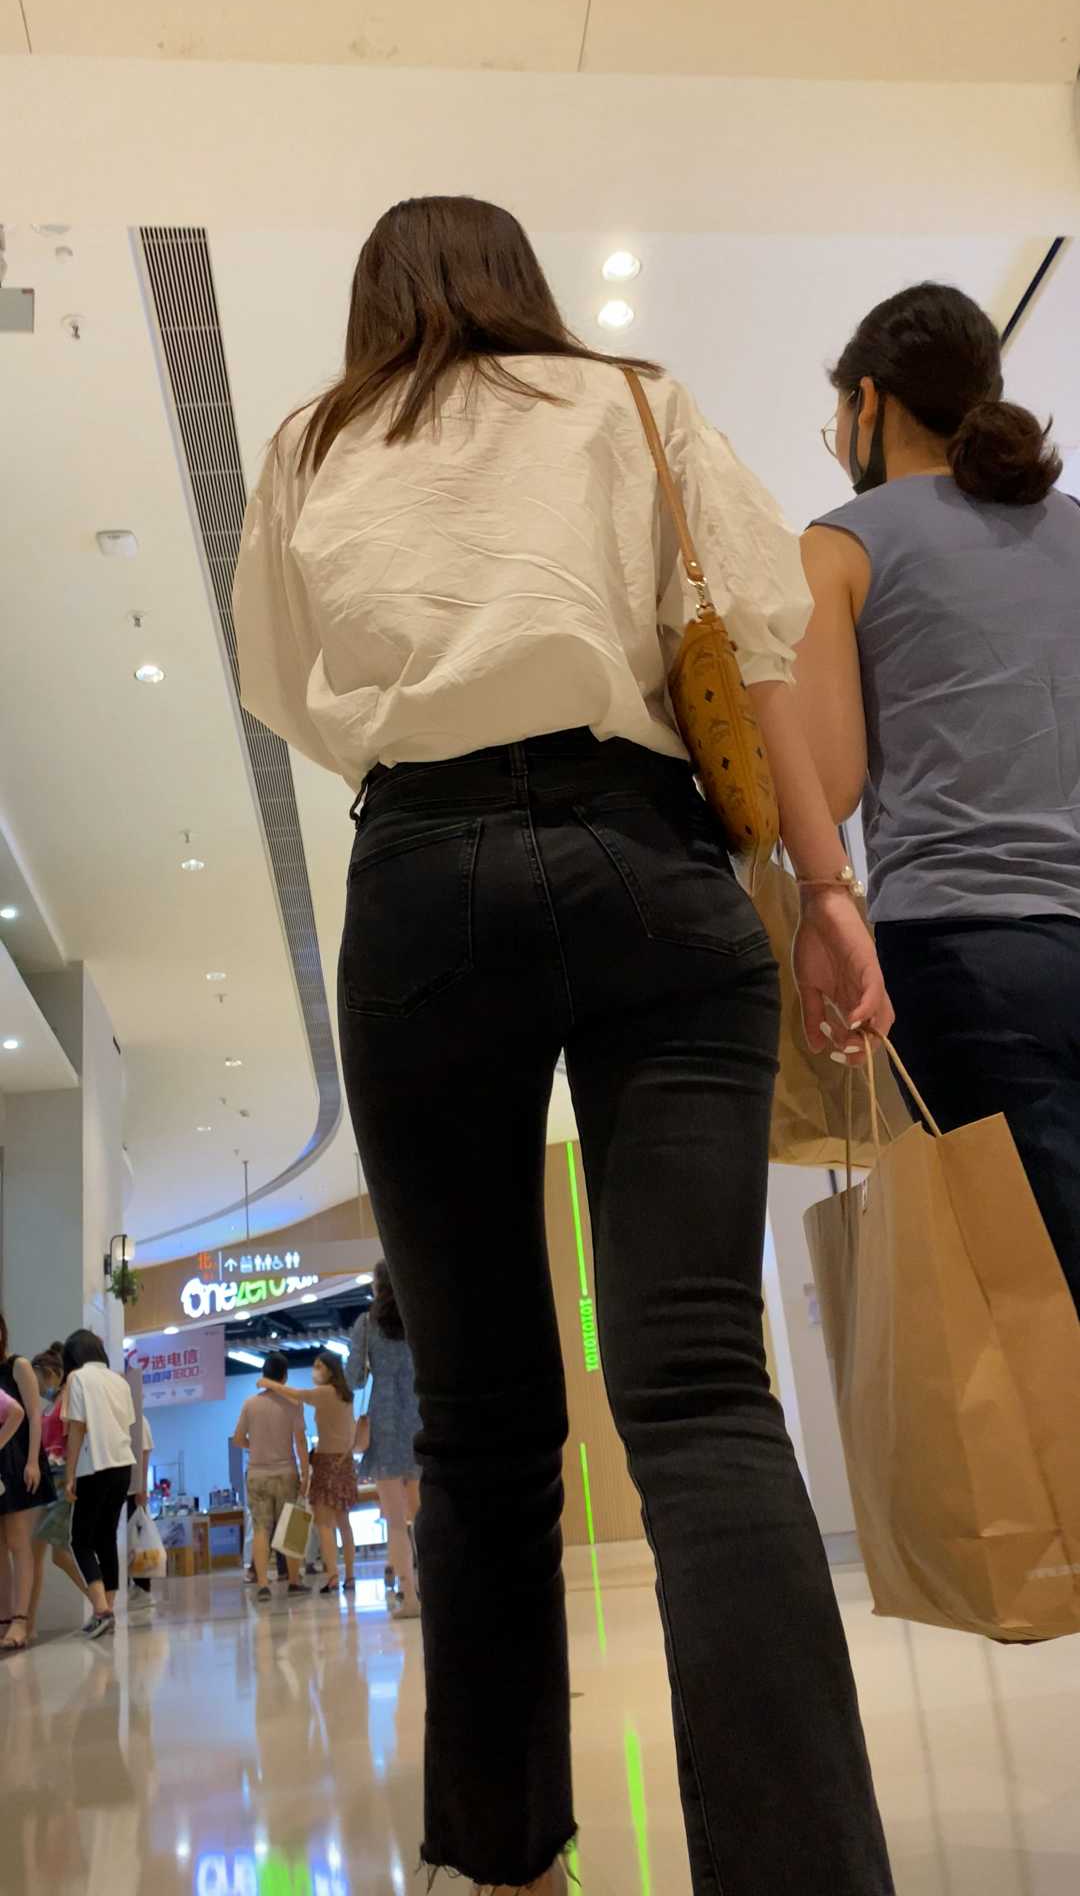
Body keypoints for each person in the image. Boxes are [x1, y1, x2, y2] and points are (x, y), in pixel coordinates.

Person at [234, 195, 894, 1896]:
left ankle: (506, 1857)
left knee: (479, 1420)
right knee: (701, 1388)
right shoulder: (635, 403)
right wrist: (828, 891)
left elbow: (289, 688)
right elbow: (755, 654)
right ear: (522, 283)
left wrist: (437, 741)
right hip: (649, 858)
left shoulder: (313, 443)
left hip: (420, 882)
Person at [796, 281, 1080, 1310]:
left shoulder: (842, 543)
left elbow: (829, 782)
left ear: (867, 403)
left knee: (1037, 1313)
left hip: (966, 960)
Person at [348, 1262, 421, 1620]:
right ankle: (436, 1590)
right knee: (423, 1516)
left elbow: (354, 1379)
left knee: (394, 1522)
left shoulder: (366, 1324)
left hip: (385, 1424)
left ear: (376, 1287)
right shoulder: (418, 1317)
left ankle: (408, 1597)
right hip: (420, 1418)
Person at [257, 1352, 358, 1596]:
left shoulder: (325, 1392)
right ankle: (350, 1575)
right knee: (344, 1523)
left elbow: (297, 1394)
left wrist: (268, 1383)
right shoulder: (346, 1396)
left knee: (324, 1524)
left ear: (330, 1370)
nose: (315, 1370)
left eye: (318, 1366)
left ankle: (332, 1576)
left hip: (326, 1462)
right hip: (345, 1463)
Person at [62, 1328, 136, 1640]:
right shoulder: (119, 1381)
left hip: (94, 1466)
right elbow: (127, 1424)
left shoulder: (78, 1378)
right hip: (123, 1465)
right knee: (106, 1538)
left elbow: (77, 1428)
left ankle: (102, 1610)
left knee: (80, 1540)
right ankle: (107, 1612)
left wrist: (69, 1474)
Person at [231, 1349, 311, 1602]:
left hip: (257, 1474)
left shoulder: (250, 1404)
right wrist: (305, 1474)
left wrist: (254, 1447)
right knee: (291, 1527)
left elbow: (237, 1439)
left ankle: (263, 1584)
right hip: (286, 1472)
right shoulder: (294, 1404)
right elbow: (300, 1441)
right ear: (284, 1377)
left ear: (263, 1375)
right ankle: (294, 1581)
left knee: (261, 1529)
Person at [0, 1311, 56, 1653]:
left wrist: (33, 1461)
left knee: (19, 1543)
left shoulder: (17, 1366)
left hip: (20, 1463)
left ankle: (21, 1620)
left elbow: (34, 1415)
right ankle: (5, 1618)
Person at [28, 1345, 90, 1640]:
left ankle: (100, 1603)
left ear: (51, 1374)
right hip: (47, 1482)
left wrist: (70, 1478)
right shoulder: (51, 1406)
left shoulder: (66, 1400)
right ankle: (28, 1623)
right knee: (38, 1555)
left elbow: (75, 1438)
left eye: (39, 1380)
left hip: (61, 1478)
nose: (38, 1388)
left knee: (57, 1554)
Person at [125, 1401, 157, 1614]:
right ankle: (132, 1585)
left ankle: (143, 1587)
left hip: (133, 1490)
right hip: (122, 1488)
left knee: (138, 1539)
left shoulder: (140, 1421)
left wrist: (141, 1487)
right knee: (129, 1540)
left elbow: (145, 1454)